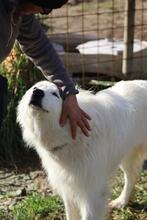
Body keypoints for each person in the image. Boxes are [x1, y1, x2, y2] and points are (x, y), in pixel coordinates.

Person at [0, 0, 91, 139]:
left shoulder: (20, 11)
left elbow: (40, 48)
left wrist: (69, 92)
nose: (41, 13)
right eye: (45, 9)